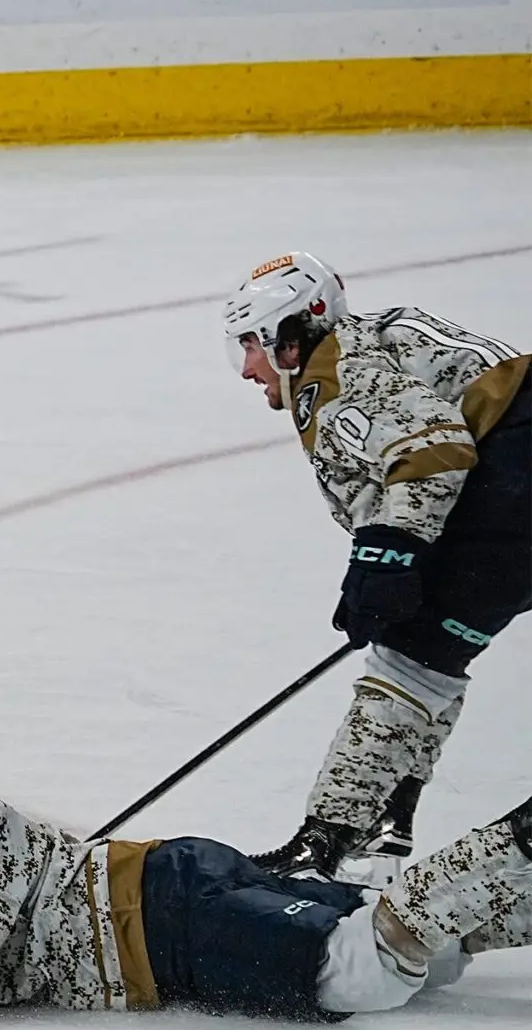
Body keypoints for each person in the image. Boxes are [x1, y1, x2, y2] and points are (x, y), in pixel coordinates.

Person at [0, 733, 530, 1030]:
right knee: (440, 960)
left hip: (170, 931)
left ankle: (511, 842)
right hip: (173, 888)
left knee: (369, 971)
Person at [221, 253, 529, 882]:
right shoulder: (372, 338)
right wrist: (389, 562)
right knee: (427, 654)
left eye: (252, 344)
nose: (247, 366)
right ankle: (379, 831)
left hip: (518, 481)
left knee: (410, 659)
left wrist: (388, 558)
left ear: (290, 334)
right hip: (513, 481)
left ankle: (329, 844)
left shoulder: (332, 373)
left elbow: (435, 451)